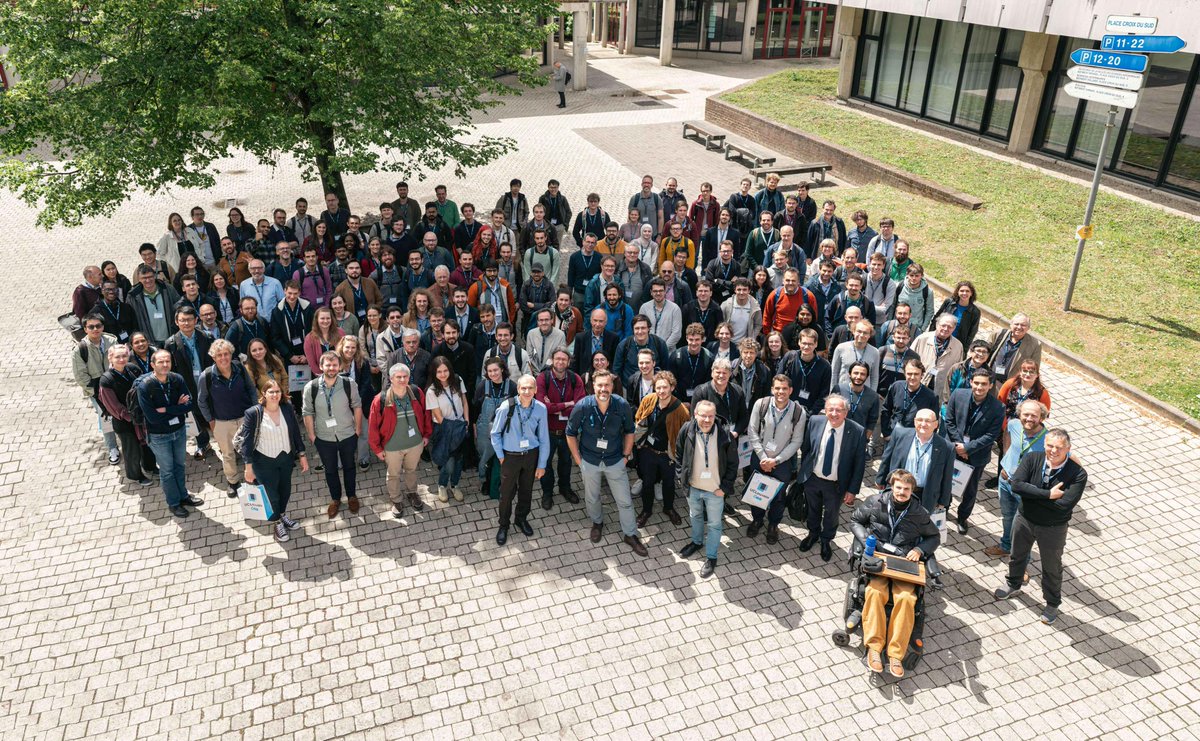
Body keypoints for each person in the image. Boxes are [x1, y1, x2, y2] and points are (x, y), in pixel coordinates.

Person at [850, 471, 940, 677]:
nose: (902, 492)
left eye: (906, 489)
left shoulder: (919, 512)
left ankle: (895, 654)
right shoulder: (875, 502)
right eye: (898, 488)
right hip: (878, 558)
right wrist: (866, 542)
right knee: (874, 593)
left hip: (903, 562)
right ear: (892, 486)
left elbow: (934, 537)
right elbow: (855, 520)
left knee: (907, 599)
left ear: (912, 491)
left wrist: (919, 550)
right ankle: (874, 647)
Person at [994, 428, 1087, 626]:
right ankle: (1013, 583)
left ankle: (1052, 602)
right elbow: (1016, 485)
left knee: (1051, 567)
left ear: (1068, 449)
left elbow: (1063, 506)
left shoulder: (1077, 474)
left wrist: (1031, 494)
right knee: (1017, 555)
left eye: (1059, 448)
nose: (1053, 450)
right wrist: (1046, 495)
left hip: (1053, 528)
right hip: (1025, 519)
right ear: (1044, 444)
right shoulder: (1032, 459)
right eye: (1050, 445)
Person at [566, 371, 647, 556]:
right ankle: (597, 522)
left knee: (625, 501)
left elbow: (629, 431)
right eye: (600, 385)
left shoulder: (621, 405)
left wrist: (626, 456)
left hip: (614, 460)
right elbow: (570, 434)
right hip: (590, 461)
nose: (603, 389)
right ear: (593, 386)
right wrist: (579, 460)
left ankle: (630, 534)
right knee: (592, 497)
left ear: (612, 386)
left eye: (607, 385)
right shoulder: (583, 406)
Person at [797, 394, 867, 561]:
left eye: (839, 410)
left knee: (831, 514)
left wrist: (852, 490)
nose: (834, 414)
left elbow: (859, 464)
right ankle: (813, 534)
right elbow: (807, 449)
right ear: (825, 410)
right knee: (812, 509)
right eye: (830, 409)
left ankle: (826, 540)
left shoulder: (857, 431)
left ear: (846, 412)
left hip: (836, 484)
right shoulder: (815, 421)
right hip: (813, 478)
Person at [135, 350, 205, 519]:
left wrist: (166, 409)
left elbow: (189, 405)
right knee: (167, 471)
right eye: (160, 362)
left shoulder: (176, 379)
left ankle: (184, 496)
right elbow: (152, 417)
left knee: (180, 466)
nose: (165, 364)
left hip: (179, 431)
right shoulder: (145, 386)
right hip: (159, 436)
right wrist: (177, 406)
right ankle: (174, 503)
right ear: (152, 365)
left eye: (167, 361)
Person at [237, 379, 308, 541]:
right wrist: (248, 467)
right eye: (271, 392)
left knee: (285, 490)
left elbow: (296, 433)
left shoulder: (287, 408)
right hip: (264, 462)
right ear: (264, 393)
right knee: (271, 495)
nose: (275, 395)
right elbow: (247, 443)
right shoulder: (253, 413)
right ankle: (276, 523)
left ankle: (282, 515)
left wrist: (302, 455)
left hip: (286, 459)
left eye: (277, 391)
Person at [676, 400, 738, 578]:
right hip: (693, 488)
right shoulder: (687, 430)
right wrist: (682, 480)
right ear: (695, 415)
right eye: (703, 415)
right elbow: (679, 454)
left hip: (715, 490)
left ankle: (711, 556)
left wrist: (724, 488)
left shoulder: (725, 434)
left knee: (714, 524)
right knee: (694, 516)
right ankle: (696, 542)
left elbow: (734, 464)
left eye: (710, 416)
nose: (707, 419)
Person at [745, 374, 807, 542]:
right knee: (757, 492)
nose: (781, 392)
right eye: (777, 388)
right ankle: (757, 519)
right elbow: (752, 432)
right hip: (759, 457)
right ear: (772, 389)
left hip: (782, 463)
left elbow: (796, 441)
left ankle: (773, 524)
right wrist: (763, 457)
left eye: (784, 388)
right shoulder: (761, 404)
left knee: (779, 497)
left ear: (791, 390)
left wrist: (776, 460)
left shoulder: (798, 411)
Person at [303, 351, 364, 519]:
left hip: (347, 434)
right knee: (330, 470)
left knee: (349, 466)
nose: (331, 368)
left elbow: (357, 406)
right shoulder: (312, 387)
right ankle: (335, 499)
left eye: (334, 365)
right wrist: (312, 436)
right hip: (324, 437)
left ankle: (351, 496)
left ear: (340, 366)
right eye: (328, 365)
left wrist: (358, 429)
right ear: (321, 367)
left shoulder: (348, 383)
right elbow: (307, 412)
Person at [944, 368, 1005, 535]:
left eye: (984, 384)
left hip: (976, 455)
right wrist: (959, 446)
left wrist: (968, 449)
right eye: (976, 383)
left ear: (990, 385)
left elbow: (991, 435)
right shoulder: (958, 395)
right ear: (971, 382)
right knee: (947, 483)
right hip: (954, 450)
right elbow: (949, 421)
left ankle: (962, 517)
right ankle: (943, 509)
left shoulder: (998, 407)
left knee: (970, 490)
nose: (979, 387)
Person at [490, 374, 550, 545]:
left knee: (526, 491)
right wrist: (501, 456)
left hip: (531, 455)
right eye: (523, 388)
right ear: (518, 389)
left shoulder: (540, 408)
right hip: (510, 456)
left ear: (536, 390)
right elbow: (495, 434)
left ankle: (521, 519)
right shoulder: (506, 407)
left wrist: (542, 464)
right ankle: (503, 525)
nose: (527, 391)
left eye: (530, 388)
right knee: (506, 494)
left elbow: (544, 438)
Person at [988, 399, 1049, 558]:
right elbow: (1007, 435)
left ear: (1041, 417)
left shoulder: (1048, 440)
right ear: (1020, 414)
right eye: (1026, 414)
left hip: (1026, 491)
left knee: (1024, 527)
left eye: (1034, 416)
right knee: (1008, 517)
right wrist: (1007, 460)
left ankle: (1022, 563)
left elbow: (1067, 458)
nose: (1029, 419)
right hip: (1005, 483)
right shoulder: (1014, 424)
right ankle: (1006, 545)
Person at [197, 339, 258, 498]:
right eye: (219, 355)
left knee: (250, 449)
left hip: (245, 418)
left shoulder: (239, 367)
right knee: (228, 454)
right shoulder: (207, 376)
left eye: (226, 354)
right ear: (213, 357)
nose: (223, 358)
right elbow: (201, 400)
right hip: (222, 422)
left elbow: (251, 390)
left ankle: (253, 476)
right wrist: (210, 420)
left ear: (231, 355)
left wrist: (255, 411)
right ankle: (233, 482)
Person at [633, 370, 691, 527]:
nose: (661, 391)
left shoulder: (680, 410)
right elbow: (639, 419)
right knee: (647, 482)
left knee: (669, 484)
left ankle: (669, 508)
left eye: (665, 387)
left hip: (668, 455)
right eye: (658, 387)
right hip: (648, 451)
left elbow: (686, 434)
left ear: (672, 387)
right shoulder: (648, 400)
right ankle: (646, 510)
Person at [875, 408, 954, 517]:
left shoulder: (947, 447)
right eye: (920, 420)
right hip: (899, 489)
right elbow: (886, 458)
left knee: (916, 526)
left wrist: (943, 501)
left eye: (927, 421)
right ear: (914, 421)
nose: (923, 424)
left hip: (924, 495)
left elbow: (947, 476)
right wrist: (880, 479)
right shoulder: (900, 434)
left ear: (936, 424)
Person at [97, 343, 157, 484]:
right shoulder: (106, 380)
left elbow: (144, 388)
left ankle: (150, 467)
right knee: (132, 449)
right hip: (124, 421)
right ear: (110, 358)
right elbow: (113, 406)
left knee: (146, 444)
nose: (122, 359)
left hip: (140, 417)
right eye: (117, 357)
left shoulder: (133, 369)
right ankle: (136, 475)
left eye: (124, 356)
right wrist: (130, 416)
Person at [534, 349, 585, 510]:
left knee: (565, 462)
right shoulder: (543, 378)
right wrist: (567, 404)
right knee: (546, 463)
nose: (560, 362)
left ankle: (565, 488)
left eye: (564, 359)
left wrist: (555, 407)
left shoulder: (575, 379)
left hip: (567, 433)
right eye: (557, 359)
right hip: (547, 432)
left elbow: (580, 407)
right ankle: (547, 493)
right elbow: (542, 407)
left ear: (568, 362)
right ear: (552, 360)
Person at [163, 306, 213, 458]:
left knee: (213, 412)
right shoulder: (171, 344)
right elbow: (170, 371)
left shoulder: (207, 337)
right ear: (177, 322)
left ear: (196, 320)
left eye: (189, 319)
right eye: (182, 320)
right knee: (194, 415)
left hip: (208, 382)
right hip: (187, 385)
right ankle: (203, 443)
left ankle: (224, 442)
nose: (186, 323)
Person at [73, 315, 122, 464]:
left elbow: (120, 359)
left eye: (98, 326)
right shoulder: (80, 349)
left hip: (115, 385)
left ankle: (128, 442)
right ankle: (112, 447)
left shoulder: (112, 341)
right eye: (91, 327)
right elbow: (80, 375)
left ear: (103, 326)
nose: (95, 329)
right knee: (105, 417)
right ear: (85, 329)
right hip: (96, 390)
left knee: (121, 412)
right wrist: (95, 392)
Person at [425, 356, 470, 504]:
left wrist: (467, 421)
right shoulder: (431, 391)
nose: (443, 374)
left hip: (460, 425)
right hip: (445, 428)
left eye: (445, 370)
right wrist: (455, 429)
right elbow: (438, 417)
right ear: (434, 373)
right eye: (439, 372)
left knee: (459, 460)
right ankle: (442, 485)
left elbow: (464, 401)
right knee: (448, 462)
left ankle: (455, 485)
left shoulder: (457, 380)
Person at [880, 358, 939, 439]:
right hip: (892, 435)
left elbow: (933, 423)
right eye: (909, 374)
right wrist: (886, 433)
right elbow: (886, 409)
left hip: (915, 439)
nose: (912, 377)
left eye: (916, 374)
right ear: (904, 373)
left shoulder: (931, 396)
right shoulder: (896, 387)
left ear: (922, 375)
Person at [912, 314, 964, 401]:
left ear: (954, 328)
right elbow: (909, 360)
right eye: (943, 325)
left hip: (940, 388)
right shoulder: (922, 339)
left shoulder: (958, 346)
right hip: (919, 382)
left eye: (949, 327)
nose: (946, 329)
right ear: (937, 324)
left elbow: (958, 371)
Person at [782, 329, 831, 415]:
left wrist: (811, 413)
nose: (806, 347)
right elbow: (779, 381)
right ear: (799, 343)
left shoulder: (825, 366)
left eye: (810, 344)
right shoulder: (790, 357)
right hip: (786, 408)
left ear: (816, 344)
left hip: (810, 412)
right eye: (804, 343)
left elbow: (824, 394)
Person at [834, 361, 881, 450]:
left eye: (863, 374)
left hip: (858, 439)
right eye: (856, 373)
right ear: (849, 374)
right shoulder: (839, 389)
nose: (858, 377)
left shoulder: (873, 396)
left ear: (867, 377)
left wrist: (864, 439)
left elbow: (872, 421)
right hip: (837, 435)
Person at [987, 313, 1043, 386]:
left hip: (1012, 385)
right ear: (1011, 325)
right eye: (1016, 324)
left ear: (1028, 328)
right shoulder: (998, 334)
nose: (1019, 327)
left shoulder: (1035, 345)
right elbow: (984, 353)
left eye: (1023, 325)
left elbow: (1034, 368)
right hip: (989, 380)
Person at [572, 308, 620, 376]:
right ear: (591, 321)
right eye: (595, 320)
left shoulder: (613, 338)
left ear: (605, 322)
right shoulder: (580, 338)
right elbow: (575, 362)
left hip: (606, 377)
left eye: (601, 321)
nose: (597, 324)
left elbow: (614, 362)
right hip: (586, 378)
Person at [930, 281, 981, 346]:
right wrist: (930, 333)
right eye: (962, 291)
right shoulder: (949, 302)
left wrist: (964, 348)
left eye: (967, 291)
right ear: (958, 292)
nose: (964, 293)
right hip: (939, 337)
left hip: (956, 343)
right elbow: (936, 318)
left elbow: (972, 333)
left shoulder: (975, 312)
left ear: (971, 293)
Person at [639, 279, 682, 348]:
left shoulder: (675, 309)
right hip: (648, 351)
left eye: (661, 291)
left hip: (668, 352)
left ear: (665, 292)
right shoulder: (644, 308)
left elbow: (676, 333)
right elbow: (641, 330)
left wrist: (663, 349)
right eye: (655, 291)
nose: (658, 293)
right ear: (651, 292)